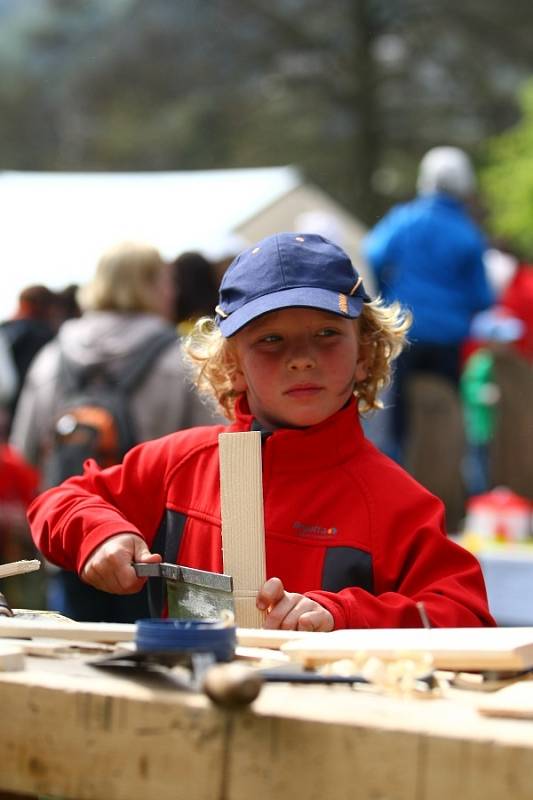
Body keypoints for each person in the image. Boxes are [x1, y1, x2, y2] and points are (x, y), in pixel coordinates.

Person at [27, 233, 494, 629]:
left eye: (327, 334)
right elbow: (57, 502)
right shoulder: (179, 464)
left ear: (366, 352)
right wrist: (99, 535)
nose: (301, 357)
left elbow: (466, 616)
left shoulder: (399, 504)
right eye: (270, 340)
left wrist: (343, 614)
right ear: (232, 365)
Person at [12, 241, 222, 621]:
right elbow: (218, 453)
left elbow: (23, 449)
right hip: (150, 556)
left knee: (74, 664)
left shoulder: (53, 354)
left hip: (70, 545)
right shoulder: (180, 357)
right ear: (153, 285)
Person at [362, 147, 494, 464]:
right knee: (453, 416)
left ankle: (393, 476)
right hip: (450, 342)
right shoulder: (468, 233)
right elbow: (483, 298)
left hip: (404, 334)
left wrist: (388, 296)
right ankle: (463, 482)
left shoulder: (403, 220)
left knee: (395, 421)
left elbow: (374, 253)